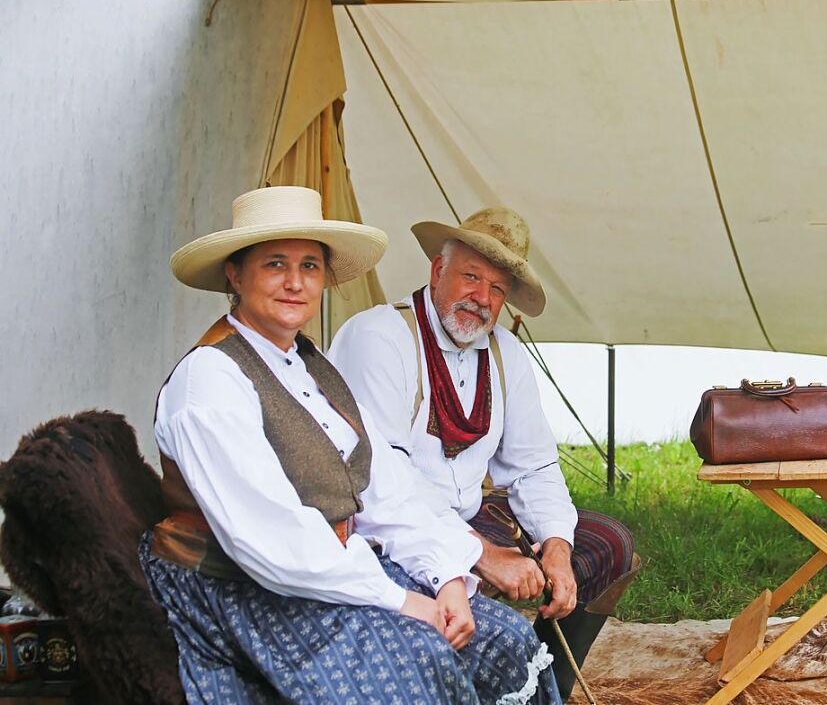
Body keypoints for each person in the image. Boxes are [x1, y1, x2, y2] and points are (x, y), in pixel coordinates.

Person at [141, 186, 560, 705]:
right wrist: (404, 600)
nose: (296, 283)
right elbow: (272, 543)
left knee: (507, 642)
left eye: (310, 267)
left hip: (335, 562)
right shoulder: (210, 379)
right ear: (235, 273)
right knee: (421, 666)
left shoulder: (312, 370)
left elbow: (380, 485)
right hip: (246, 586)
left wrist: (447, 573)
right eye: (276, 264)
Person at [328, 206, 640, 700]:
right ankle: (495, 675)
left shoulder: (506, 354)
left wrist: (556, 545)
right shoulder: (380, 337)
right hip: (387, 532)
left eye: (496, 288)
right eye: (470, 277)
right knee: (462, 598)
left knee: (607, 543)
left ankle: (542, 685)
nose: (481, 298)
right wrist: (480, 554)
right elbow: (384, 482)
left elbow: (534, 465)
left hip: (470, 517)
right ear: (437, 270)